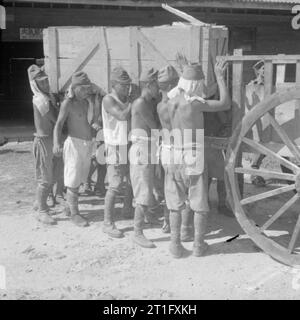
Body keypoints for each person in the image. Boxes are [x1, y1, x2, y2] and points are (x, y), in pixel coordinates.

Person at [164, 59, 230, 258]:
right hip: (193, 154)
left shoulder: (171, 101)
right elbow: (224, 103)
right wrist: (219, 77)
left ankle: (176, 245)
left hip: (174, 152)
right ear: (195, 85)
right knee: (199, 202)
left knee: (176, 202)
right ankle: (199, 246)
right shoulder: (194, 104)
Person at [53, 71, 103, 227]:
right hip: (73, 145)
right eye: (83, 88)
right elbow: (59, 125)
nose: (86, 91)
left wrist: (95, 127)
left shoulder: (87, 103)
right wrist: (56, 143)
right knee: (73, 180)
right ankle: (75, 214)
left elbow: (88, 123)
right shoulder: (68, 104)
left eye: (87, 88)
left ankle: (69, 207)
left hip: (86, 145)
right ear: (74, 88)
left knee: (80, 178)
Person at [101, 66, 135, 238]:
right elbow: (122, 116)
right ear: (114, 84)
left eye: (128, 84)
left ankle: (127, 210)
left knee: (130, 180)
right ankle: (107, 223)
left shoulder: (125, 98)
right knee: (114, 185)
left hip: (127, 144)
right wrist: (134, 101)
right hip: (115, 146)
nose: (127, 88)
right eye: (123, 85)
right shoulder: (109, 99)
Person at [130, 68, 161, 248]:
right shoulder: (141, 103)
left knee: (148, 185)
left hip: (148, 146)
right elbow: (154, 126)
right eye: (157, 86)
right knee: (143, 190)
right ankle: (137, 232)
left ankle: (148, 218)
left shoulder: (149, 102)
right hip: (142, 148)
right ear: (149, 85)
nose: (159, 90)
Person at [28, 64, 58, 225]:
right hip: (44, 141)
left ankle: (39, 203)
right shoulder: (40, 99)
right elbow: (54, 118)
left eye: (47, 81)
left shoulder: (46, 97)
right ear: (35, 84)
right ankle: (42, 211)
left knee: (49, 175)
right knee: (45, 178)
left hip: (49, 140)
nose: (46, 84)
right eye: (42, 82)